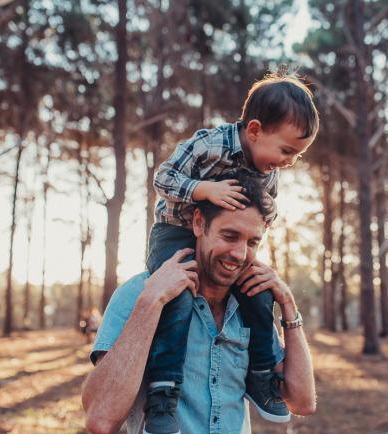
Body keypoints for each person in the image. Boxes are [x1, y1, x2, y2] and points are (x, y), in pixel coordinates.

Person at [144, 71, 319, 432]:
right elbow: (163, 178)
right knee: (176, 295)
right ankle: (164, 390)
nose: (287, 162)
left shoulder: (268, 170)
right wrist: (203, 190)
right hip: (175, 232)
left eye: (296, 156)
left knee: (257, 290)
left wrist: (251, 251)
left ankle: (259, 374)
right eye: (286, 151)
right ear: (254, 130)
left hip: (227, 240)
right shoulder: (210, 145)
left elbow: (265, 214)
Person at [81, 174, 316, 434]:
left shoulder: (250, 303)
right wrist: (152, 302)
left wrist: (288, 304)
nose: (239, 254)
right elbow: (100, 420)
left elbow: (301, 402)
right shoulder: (141, 292)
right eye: (229, 235)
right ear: (198, 223)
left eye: (252, 242)